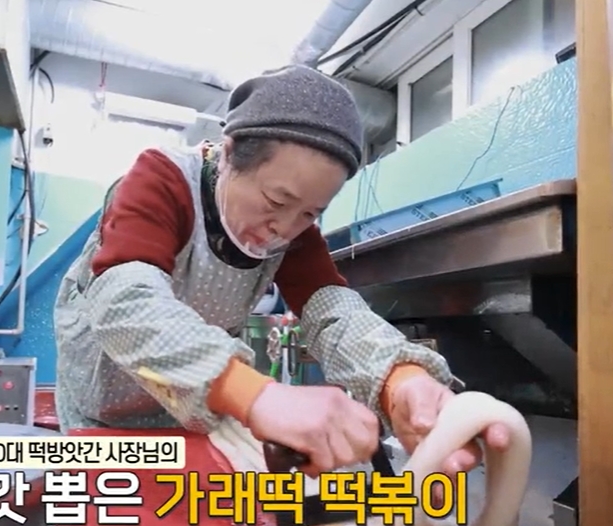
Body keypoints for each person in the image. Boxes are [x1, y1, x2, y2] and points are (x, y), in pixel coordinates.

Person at [54, 64, 509, 477]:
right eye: (276, 201)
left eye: (310, 213)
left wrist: (400, 380)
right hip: (101, 413)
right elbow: (125, 300)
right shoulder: (163, 181)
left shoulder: (292, 232)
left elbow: (332, 311)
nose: (285, 229)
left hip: (196, 412)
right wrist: (255, 395)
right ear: (229, 154)